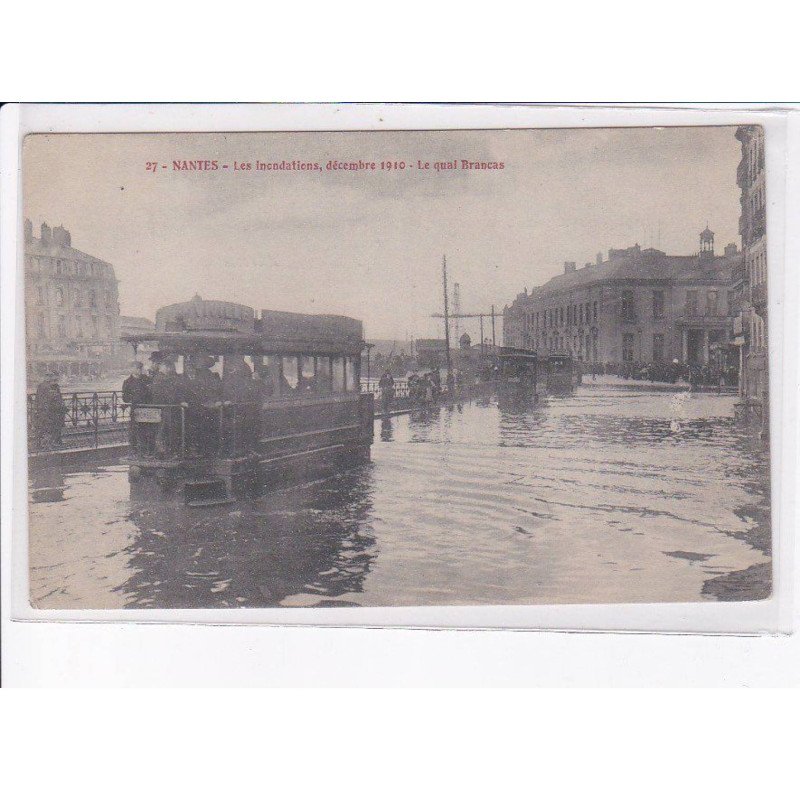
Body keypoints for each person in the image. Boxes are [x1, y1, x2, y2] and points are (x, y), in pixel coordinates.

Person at [122, 361, 152, 448]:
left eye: (140, 368)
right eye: (137, 368)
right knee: (134, 429)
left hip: (147, 408)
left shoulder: (146, 379)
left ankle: (146, 448)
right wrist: (133, 398)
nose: (139, 370)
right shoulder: (127, 382)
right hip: (136, 409)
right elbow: (125, 398)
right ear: (132, 369)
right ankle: (134, 448)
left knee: (147, 429)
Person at [33, 371, 66, 449]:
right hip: (48, 410)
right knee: (48, 426)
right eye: (49, 376)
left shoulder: (45, 385)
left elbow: (37, 398)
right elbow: (53, 398)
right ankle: (47, 443)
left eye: (51, 376)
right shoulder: (48, 386)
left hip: (47, 409)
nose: (50, 378)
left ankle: (44, 443)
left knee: (46, 426)